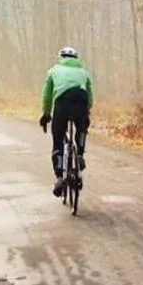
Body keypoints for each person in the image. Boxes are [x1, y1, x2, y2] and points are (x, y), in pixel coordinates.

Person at [39, 46, 94, 197]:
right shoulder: (84, 72)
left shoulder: (53, 71)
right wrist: (86, 112)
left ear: (61, 58)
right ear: (76, 59)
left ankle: (59, 177)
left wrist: (46, 114)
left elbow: (47, 95)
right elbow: (90, 94)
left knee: (58, 138)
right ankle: (80, 154)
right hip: (80, 100)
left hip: (62, 102)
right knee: (81, 127)